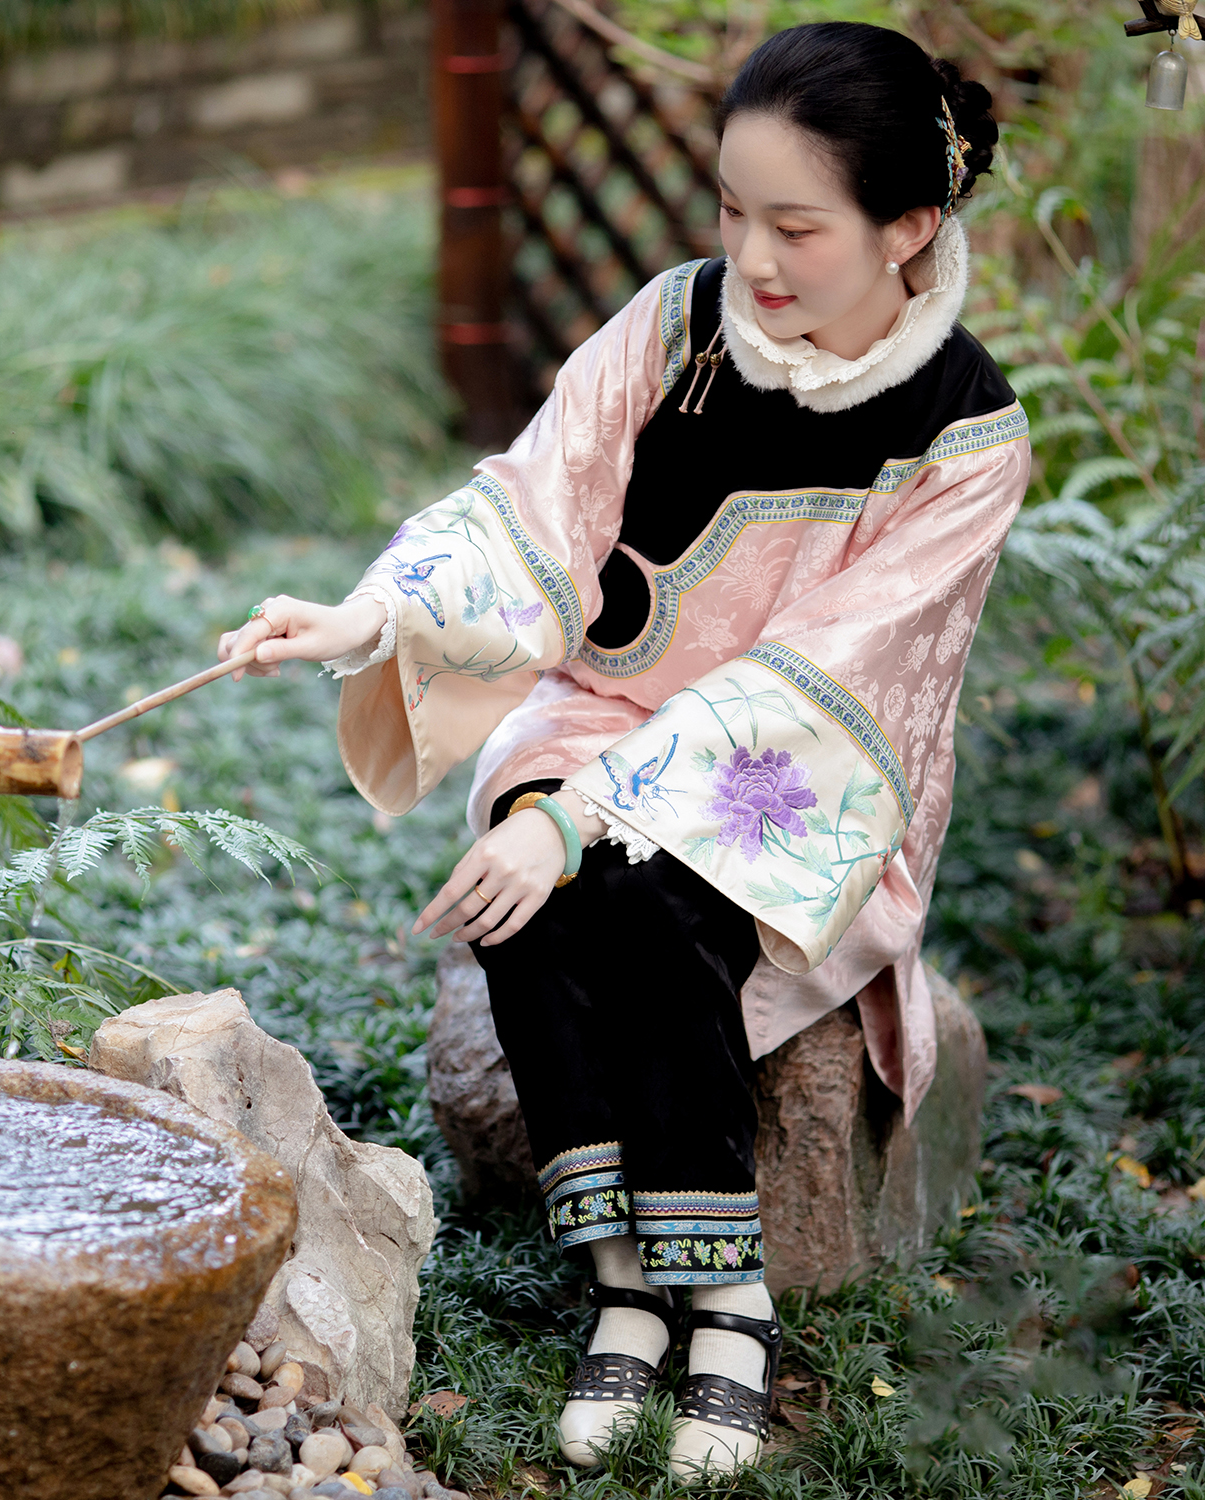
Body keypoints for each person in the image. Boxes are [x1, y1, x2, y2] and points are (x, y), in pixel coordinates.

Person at [218, 20, 1028, 1479]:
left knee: (638, 888)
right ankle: (627, 1294)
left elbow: (826, 686)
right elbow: (532, 513)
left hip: (802, 778)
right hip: (606, 706)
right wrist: (360, 622)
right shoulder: (673, 327)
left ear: (912, 227)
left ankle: (726, 1296)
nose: (752, 257)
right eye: (731, 209)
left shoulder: (968, 438)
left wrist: (578, 820)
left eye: (796, 225)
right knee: (530, 889)